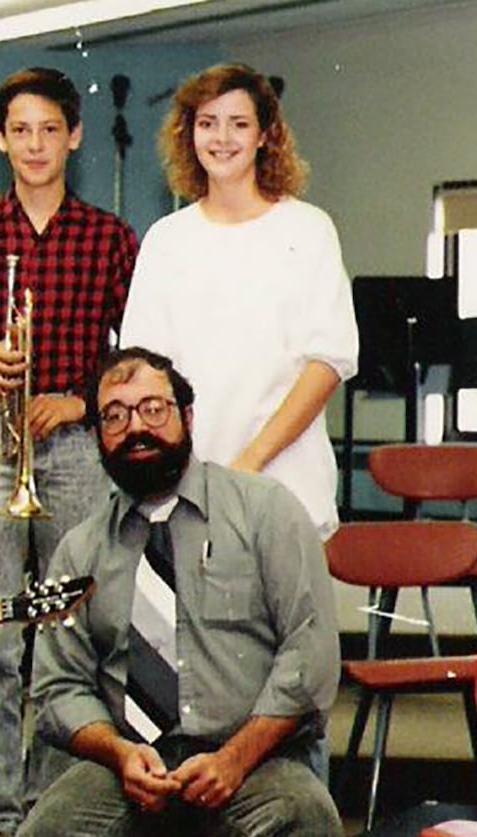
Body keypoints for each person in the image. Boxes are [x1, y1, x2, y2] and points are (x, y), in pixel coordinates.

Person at [10, 346, 342, 837]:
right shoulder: (80, 549)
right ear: (98, 437)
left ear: (187, 418)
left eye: (152, 408)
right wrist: (117, 753)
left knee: (308, 828)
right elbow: (59, 685)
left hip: (253, 759)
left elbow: (309, 655)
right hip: (131, 767)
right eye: (114, 415)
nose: (135, 426)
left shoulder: (265, 512)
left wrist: (235, 759)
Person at [0, 67, 138, 837]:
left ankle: (53, 805)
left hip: (76, 442)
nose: (35, 144)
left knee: (70, 629)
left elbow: (136, 354)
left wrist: (80, 396)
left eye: (51, 129)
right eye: (21, 129)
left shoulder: (111, 238)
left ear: (75, 137)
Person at [119, 62, 357, 540]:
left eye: (239, 124)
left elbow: (325, 365)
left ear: (266, 135)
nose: (222, 138)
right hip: (184, 497)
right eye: (207, 124)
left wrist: (249, 463)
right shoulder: (166, 240)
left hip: (287, 495)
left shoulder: (308, 230)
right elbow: (144, 373)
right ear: (189, 134)